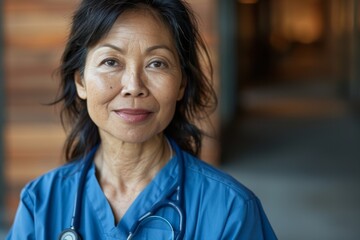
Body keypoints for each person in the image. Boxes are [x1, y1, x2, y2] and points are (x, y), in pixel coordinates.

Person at [7, 0, 277, 239]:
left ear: (182, 83)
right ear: (81, 81)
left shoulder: (231, 210)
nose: (133, 85)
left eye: (157, 63)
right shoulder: (41, 203)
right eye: (111, 62)